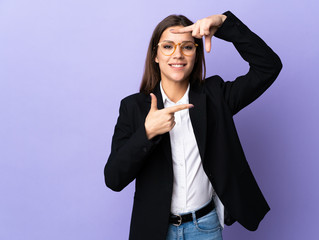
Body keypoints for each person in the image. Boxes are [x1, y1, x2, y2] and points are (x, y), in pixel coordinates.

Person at [104, 10, 282, 240]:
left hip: (205, 228)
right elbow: (114, 179)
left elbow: (268, 66)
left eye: (187, 47)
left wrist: (225, 23)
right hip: (155, 231)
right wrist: (147, 133)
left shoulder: (215, 97)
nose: (177, 54)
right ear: (155, 56)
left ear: (196, 55)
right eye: (168, 46)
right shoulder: (133, 108)